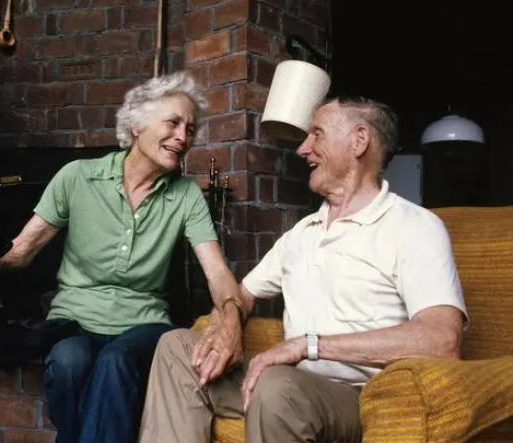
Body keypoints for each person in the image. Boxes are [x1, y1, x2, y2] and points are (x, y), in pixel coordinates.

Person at [0, 71, 244, 443]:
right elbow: (19, 252)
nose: (183, 137)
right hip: (74, 318)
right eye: (173, 123)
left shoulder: (185, 195)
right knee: (67, 361)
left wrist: (232, 318)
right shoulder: (77, 177)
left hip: (145, 323)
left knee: (116, 361)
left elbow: (217, 272)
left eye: (190, 129)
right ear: (137, 126)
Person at [137, 96, 468, 443]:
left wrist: (307, 346)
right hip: (289, 383)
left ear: (359, 141)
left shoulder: (414, 226)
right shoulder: (303, 232)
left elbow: (442, 340)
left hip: (362, 396)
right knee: (176, 347)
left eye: (317, 134)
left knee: (278, 388)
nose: (302, 149)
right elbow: (243, 294)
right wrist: (231, 323)